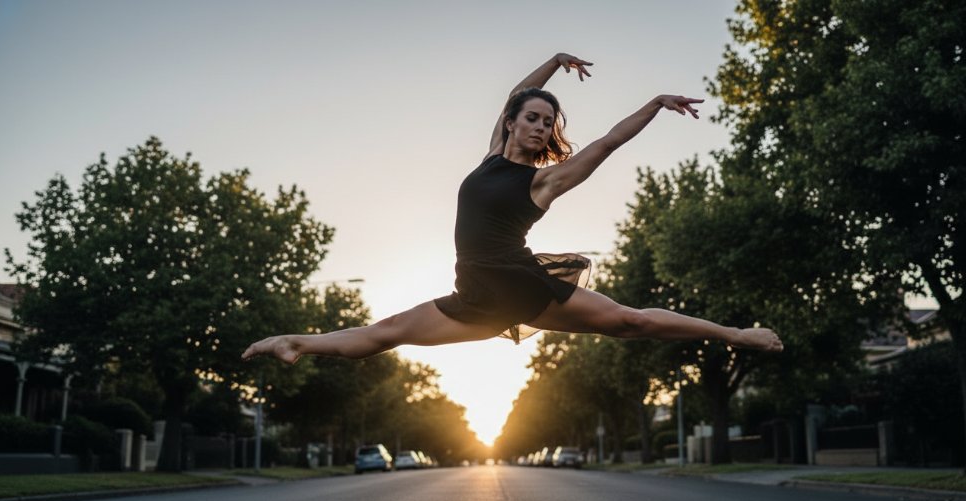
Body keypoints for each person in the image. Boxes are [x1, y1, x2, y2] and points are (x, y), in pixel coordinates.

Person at [242, 52, 783, 364]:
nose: (541, 125)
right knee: (387, 333)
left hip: (518, 282)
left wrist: (656, 104)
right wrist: (554, 61)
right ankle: (294, 343)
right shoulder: (488, 159)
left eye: (548, 122)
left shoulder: (544, 180)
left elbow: (609, 141)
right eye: (532, 117)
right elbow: (519, 90)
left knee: (629, 321)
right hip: (476, 293)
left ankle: (737, 334)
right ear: (511, 121)